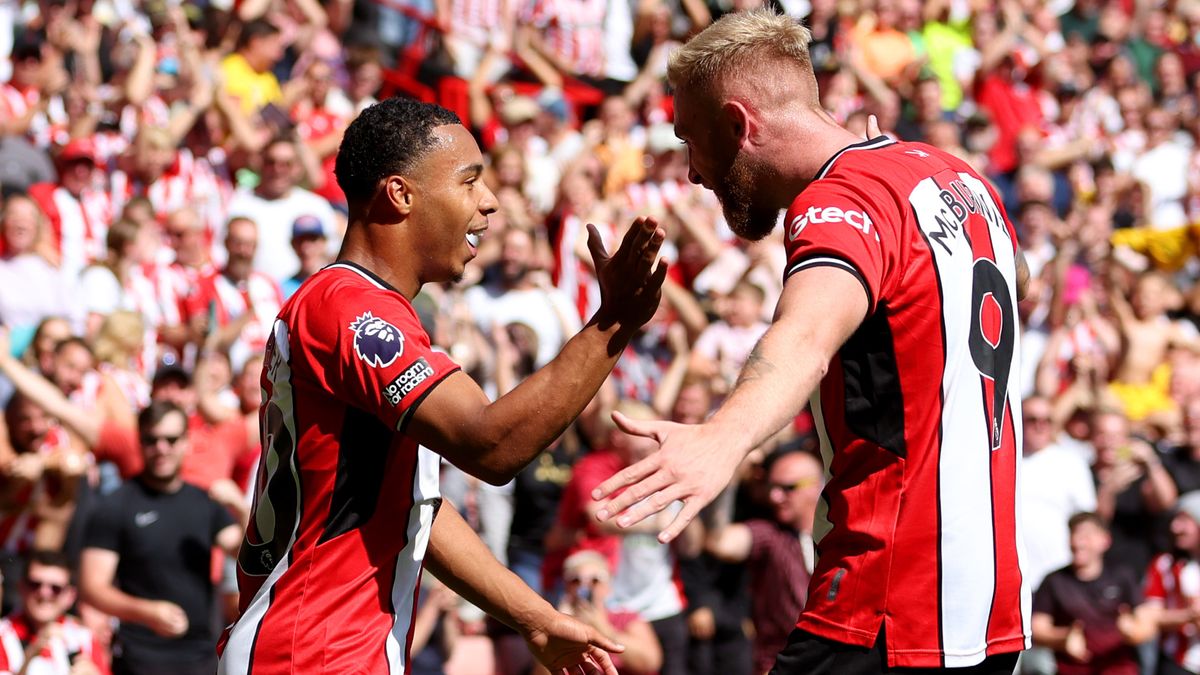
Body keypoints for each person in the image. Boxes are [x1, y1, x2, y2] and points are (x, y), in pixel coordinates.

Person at [592, 10, 1030, 673]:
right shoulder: (956, 178)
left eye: (692, 142)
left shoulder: (841, 200)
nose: (691, 174)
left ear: (739, 125)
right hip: (986, 612)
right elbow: (992, 285)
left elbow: (805, 335)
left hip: (888, 599)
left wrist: (723, 435)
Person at [217, 96, 667, 674]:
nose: (490, 201)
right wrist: (615, 320)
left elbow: (415, 511)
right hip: (315, 650)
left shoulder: (359, 306)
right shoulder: (349, 308)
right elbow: (492, 444)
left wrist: (532, 616)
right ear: (401, 194)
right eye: (469, 180)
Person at [80, 401, 243, 675]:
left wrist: (241, 507)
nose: (161, 449)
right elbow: (91, 587)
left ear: (185, 442)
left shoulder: (204, 501)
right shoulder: (116, 505)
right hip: (139, 656)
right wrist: (147, 612)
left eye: (171, 439)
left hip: (200, 656)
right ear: (140, 442)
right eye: (151, 440)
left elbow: (245, 554)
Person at [705, 449, 823, 675]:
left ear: (816, 485)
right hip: (779, 663)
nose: (775, 497)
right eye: (772, 488)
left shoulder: (843, 535)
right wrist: (730, 475)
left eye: (788, 488)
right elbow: (719, 542)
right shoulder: (770, 536)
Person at [1030, 512, 1157, 675]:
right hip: (1072, 670)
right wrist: (1062, 638)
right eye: (1074, 534)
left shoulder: (1122, 576)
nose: (1078, 541)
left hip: (1119, 669)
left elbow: (1148, 624)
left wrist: (1132, 631)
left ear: (1105, 541)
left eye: (1086, 535)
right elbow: (1037, 628)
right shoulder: (1054, 581)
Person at [0, 549, 108, 675]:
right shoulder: (2, 635)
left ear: (70, 596)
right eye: (35, 584)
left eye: (56, 588)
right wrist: (30, 656)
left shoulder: (85, 639)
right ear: (21, 588)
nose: (44, 593)